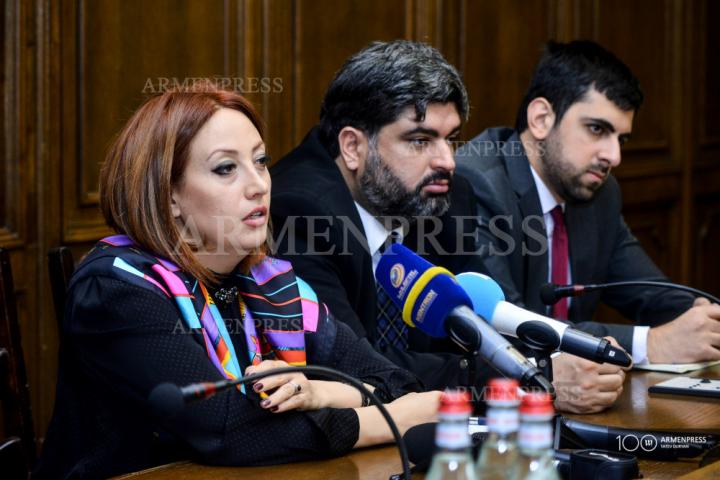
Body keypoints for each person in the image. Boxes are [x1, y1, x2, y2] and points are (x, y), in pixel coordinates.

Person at [34, 84, 440, 479]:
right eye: (226, 168)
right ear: (169, 194)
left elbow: (395, 380)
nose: (258, 184)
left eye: (260, 161)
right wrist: (389, 421)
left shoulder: (268, 282)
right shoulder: (116, 288)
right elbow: (231, 432)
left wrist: (321, 393)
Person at [269, 40, 616, 414]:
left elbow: (484, 323)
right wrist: (526, 379)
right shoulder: (301, 211)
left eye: (450, 139)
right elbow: (358, 369)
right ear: (353, 147)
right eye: (420, 140)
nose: (447, 161)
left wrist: (570, 357)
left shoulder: (441, 194)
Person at [456, 40, 720, 405]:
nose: (614, 156)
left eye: (621, 138)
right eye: (597, 130)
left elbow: (649, 291)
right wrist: (651, 344)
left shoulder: (599, 193)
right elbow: (509, 328)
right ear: (541, 118)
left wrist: (705, 318)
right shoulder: (475, 184)